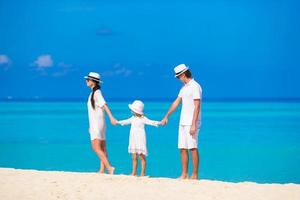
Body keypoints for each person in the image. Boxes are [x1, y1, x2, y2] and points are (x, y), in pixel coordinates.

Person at [161, 64, 202, 179]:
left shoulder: (195, 86)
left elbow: (197, 106)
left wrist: (193, 124)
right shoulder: (183, 88)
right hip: (183, 122)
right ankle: (184, 174)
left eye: (178, 77)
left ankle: (194, 175)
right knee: (182, 148)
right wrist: (166, 116)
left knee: (192, 148)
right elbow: (176, 103)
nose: (178, 79)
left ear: (183, 75)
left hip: (192, 122)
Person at [117, 100, 161, 177]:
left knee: (141, 156)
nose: (131, 111)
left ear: (135, 111)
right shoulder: (132, 118)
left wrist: (159, 123)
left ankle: (142, 173)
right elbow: (126, 121)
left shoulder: (143, 118)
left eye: (132, 110)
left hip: (140, 139)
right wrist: (117, 122)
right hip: (133, 139)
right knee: (134, 156)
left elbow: (151, 122)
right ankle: (133, 172)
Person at [85, 72, 117, 174]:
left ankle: (109, 167)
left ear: (93, 82)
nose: (86, 81)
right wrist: (90, 126)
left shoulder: (97, 93)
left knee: (96, 147)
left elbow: (104, 106)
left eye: (88, 80)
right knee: (102, 147)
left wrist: (112, 118)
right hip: (97, 123)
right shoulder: (93, 93)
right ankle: (102, 169)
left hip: (97, 124)